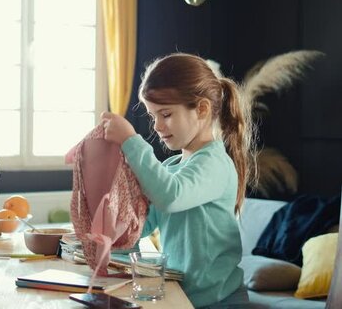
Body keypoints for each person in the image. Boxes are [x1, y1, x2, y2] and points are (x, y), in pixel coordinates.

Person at [100, 53, 258, 308]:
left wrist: (131, 142)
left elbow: (171, 196)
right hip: (180, 297)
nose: (158, 126)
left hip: (220, 301)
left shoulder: (215, 164)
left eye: (166, 114)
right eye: (153, 116)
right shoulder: (171, 168)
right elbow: (139, 226)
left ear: (202, 109)